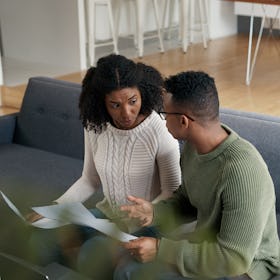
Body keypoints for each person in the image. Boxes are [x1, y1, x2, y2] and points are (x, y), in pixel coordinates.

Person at [115, 71, 280, 280]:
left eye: (165, 115)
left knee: (130, 272)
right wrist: (153, 212)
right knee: (123, 256)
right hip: (209, 244)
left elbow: (234, 258)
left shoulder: (241, 171)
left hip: (247, 267)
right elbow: (188, 200)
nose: (164, 122)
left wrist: (161, 249)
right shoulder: (194, 148)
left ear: (184, 121)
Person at [28, 54, 181, 275]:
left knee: (92, 254)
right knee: (40, 239)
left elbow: (173, 192)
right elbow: (89, 180)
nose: (126, 113)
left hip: (150, 225)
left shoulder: (159, 131)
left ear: (142, 94)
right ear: (102, 103)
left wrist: (142, 215)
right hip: (106, 217)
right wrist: (55, 208)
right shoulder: (95, 126)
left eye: (132, 101)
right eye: (115, 105)